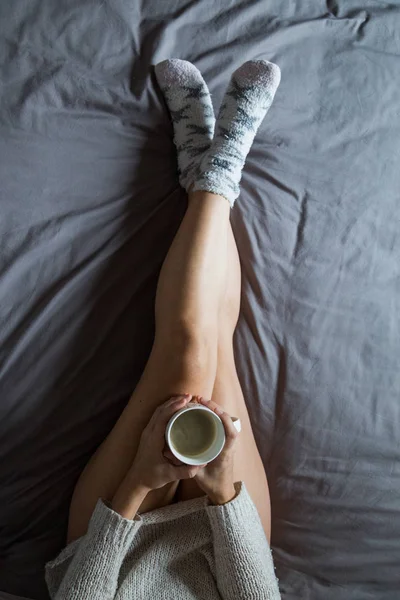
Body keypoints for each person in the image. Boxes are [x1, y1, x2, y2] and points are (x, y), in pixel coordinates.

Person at [45, 58, 282, 599]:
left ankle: (214, 176)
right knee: (214, 347)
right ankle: (212, 171)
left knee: (188, 361)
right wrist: (221, 492)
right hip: (227, 545)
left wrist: (142, 480)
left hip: (108, 542)